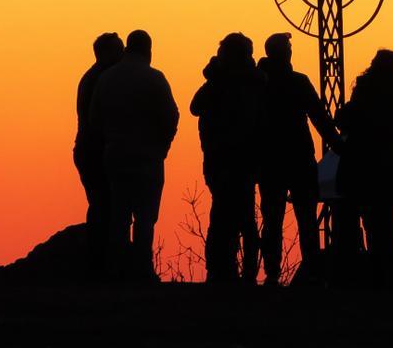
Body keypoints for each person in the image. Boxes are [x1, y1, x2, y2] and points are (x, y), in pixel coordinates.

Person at [89, 30, 179, 280]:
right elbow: (172, 116)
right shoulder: (154, 78)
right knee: (145, 215)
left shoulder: (106, 79)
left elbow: (94, 120)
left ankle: (115, 270)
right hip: (148, 156)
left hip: (115, 155)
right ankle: (142, 269)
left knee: (118, 214)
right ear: (149, 50)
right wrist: (163, 146)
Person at [257, 33, 342, 286]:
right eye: (288, 48)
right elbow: (320, 118)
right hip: (299, 159)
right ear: (285, 53)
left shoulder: (260, 83)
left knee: (272, 219)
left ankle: (272, 274)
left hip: (270, 160)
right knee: (306, 219)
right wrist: (340, 146)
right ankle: (312, 273)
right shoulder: (298, 82)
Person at [334, 49, 393, 288]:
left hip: (359, 168)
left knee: (356, 225)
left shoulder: (365, 91)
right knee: (389, 229)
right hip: (388, 170)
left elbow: (343, 121)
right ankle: (392, 277)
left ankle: (361, 276)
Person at [190, 33, 264, 284]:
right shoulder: (256, 82)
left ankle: (220, 269)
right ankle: (247, 273)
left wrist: (214, 73)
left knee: (221, 215)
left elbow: (195, 106)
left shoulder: (218, 83)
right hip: (245, 160)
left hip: (220, 159)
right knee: (244, 218)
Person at [73, 32, 124, 277]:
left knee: (102, 206)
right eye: (119, 50)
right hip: (95, 151)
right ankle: (100, 265)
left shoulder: (93, 77)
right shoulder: (101, 80)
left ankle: (100, 263)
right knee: (104, 206)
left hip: (89, 150)